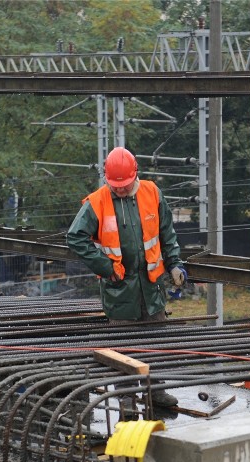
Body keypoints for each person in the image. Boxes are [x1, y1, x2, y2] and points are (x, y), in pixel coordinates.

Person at [67, 147, 186, 407]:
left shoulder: (152, 192)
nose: (120, 189)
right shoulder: (97, 201)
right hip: (120, 290)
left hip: (151, 287)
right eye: (115, 185)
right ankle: (127, 399)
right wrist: (105, 267)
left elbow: (167, 233)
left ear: (135, 176)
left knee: (156, 343)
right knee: (124, 350)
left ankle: (156, 392)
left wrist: (175, 264)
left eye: (124, 185)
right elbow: (75, 237)